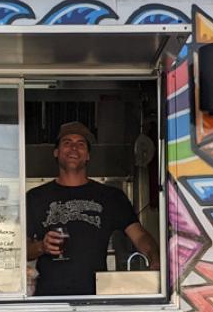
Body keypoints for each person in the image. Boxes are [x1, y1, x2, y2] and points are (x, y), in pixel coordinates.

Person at [26, 121, 159, 296]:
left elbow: (139, 236)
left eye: (81, 144)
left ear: (88, 155)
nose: (74, 148)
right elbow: (22, 251)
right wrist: (42, 247)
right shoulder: (35, 197)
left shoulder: (111, 197)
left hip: (96, 298)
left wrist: (155, 258)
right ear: (56, 152)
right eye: (67, 143)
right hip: (49, 300)